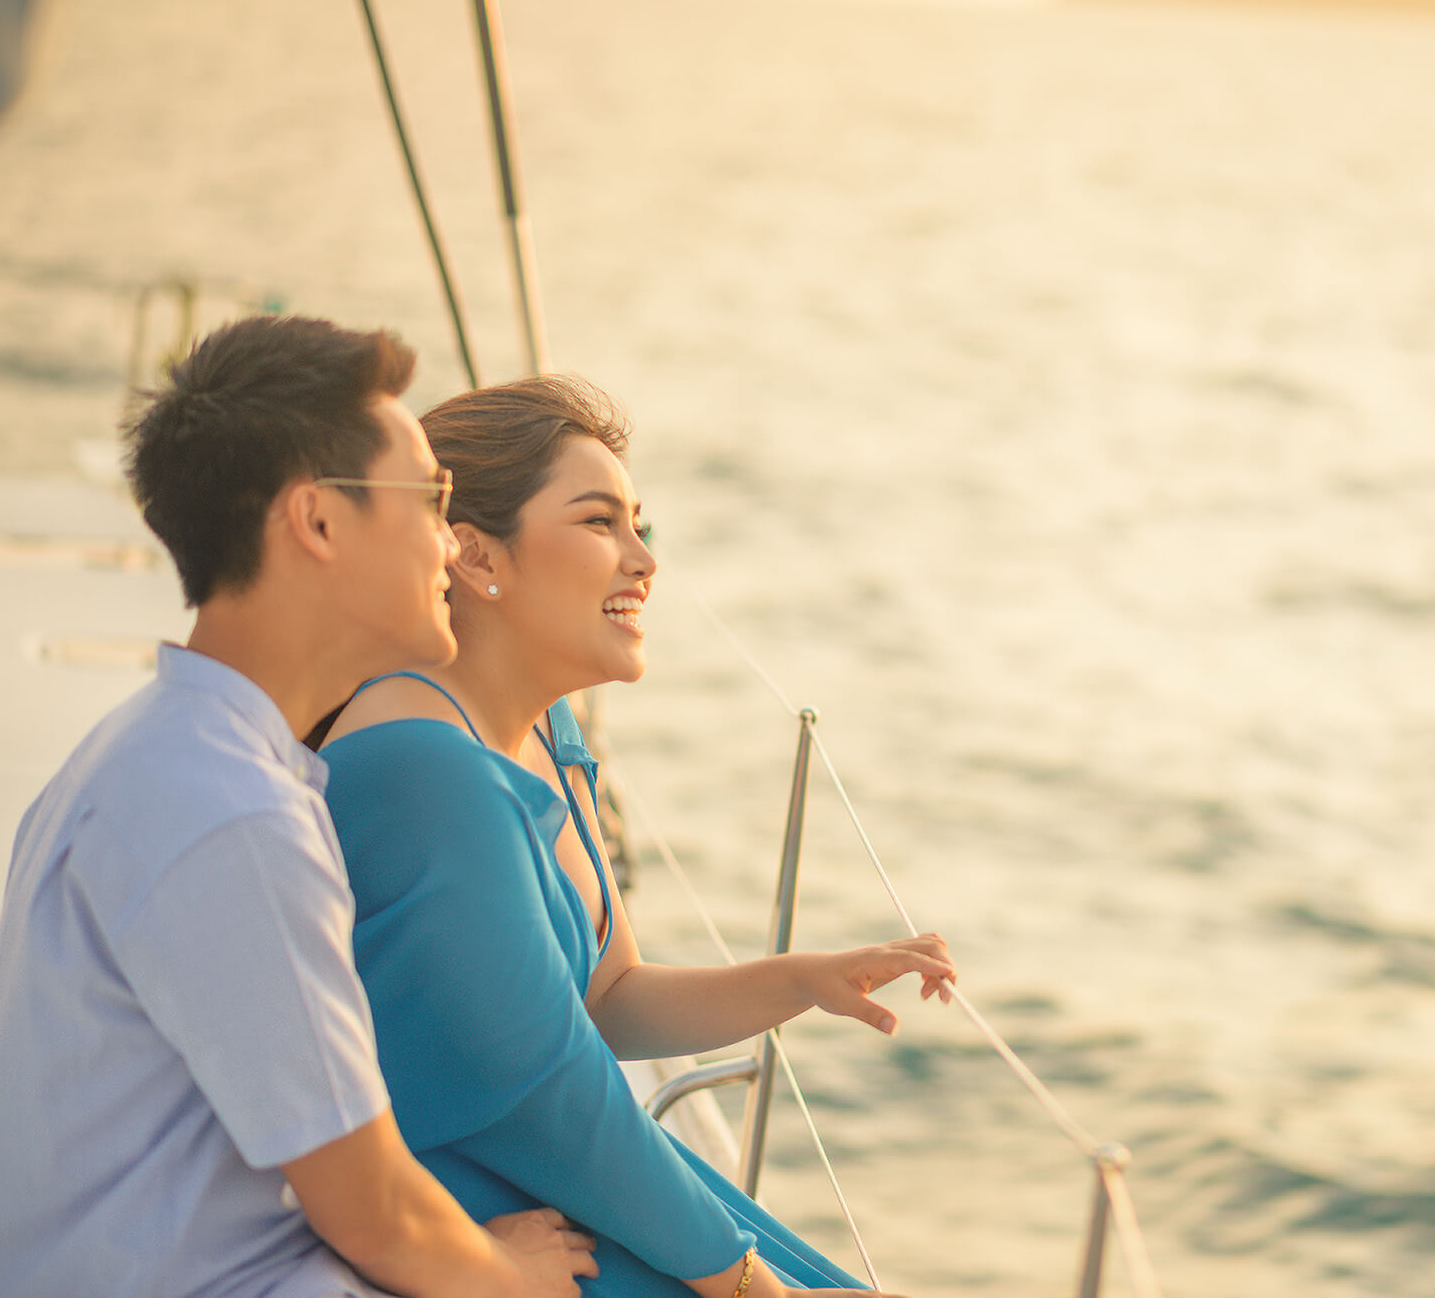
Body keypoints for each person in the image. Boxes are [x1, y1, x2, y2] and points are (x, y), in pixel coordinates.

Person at [0, 316, 599, 1298]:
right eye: (432, 498)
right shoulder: (231, 814)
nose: (451, 542)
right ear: (318, 521)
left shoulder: (164, 749)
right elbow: (374, 1213)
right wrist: (506, 1271)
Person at [317, 374, 957, 1298]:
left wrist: (801, 978)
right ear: (474, 555)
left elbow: (610, 999)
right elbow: (551, 1095)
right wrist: (745, 1284)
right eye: (598, 523)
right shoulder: (427, 769)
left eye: (639, 526)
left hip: (560, 1187)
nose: (643, 561)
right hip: (473, 1224)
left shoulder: (541, 728)